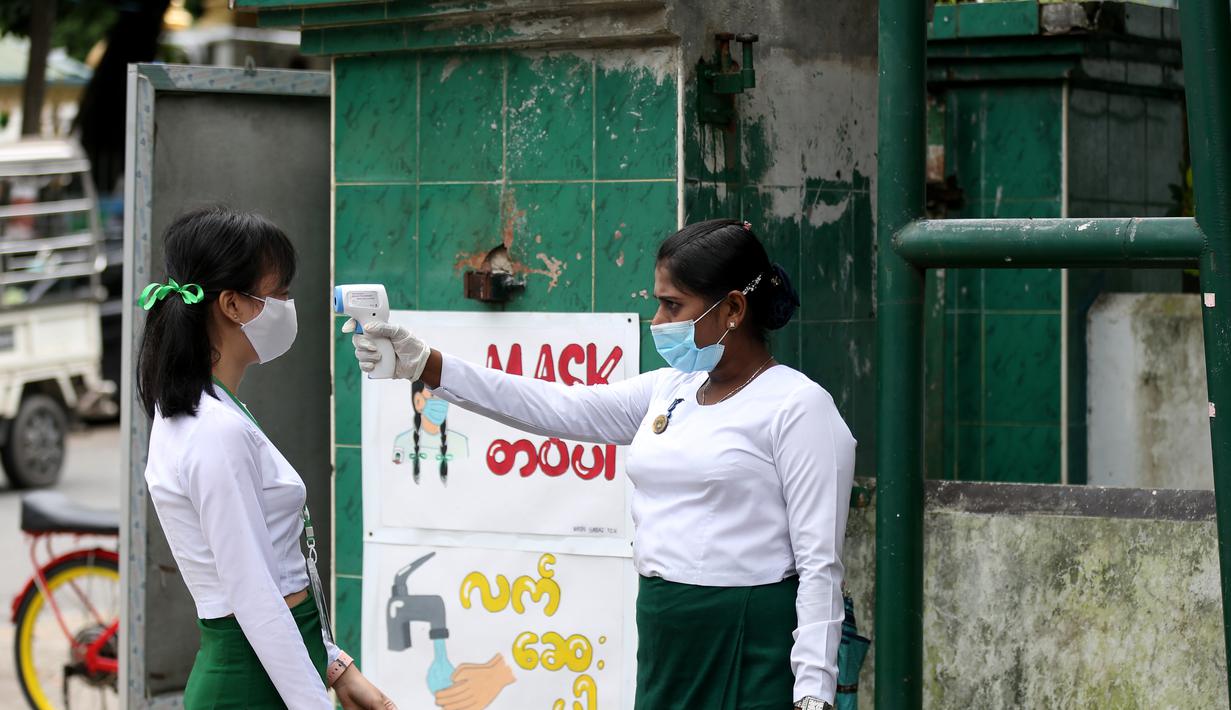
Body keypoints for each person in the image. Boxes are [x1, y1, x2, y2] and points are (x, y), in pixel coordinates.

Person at [349, 218, 856, 710]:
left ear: (733, 310)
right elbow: (554, 406)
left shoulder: (797, 406)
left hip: (748, 637)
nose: (658, 322)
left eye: (672, 305)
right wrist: (427, 365)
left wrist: (813, 691)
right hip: (665, 627)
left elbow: (819, 565)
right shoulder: (669, 389)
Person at [139, 206, 395, 710]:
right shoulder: (213, 432)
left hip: (274, 668)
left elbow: (276, 573)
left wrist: (333, 664)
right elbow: (256, 596)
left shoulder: (213, 411)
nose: (287, 306)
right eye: (277, 294)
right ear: (233, 305)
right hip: (252, 683)